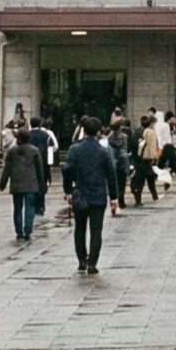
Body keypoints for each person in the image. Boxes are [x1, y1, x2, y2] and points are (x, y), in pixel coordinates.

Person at [64, 116, 115, 272]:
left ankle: (82, 260)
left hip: (80, 194)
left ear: (83, 130)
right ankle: (92, 262)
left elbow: (68, 170)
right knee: (96, 230)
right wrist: (114, 197)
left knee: (80, 228)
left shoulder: (74, 149)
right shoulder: (103, 151)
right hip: (98, 195)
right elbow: (111, 175)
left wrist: (68, 190)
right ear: (98, 132)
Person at [0, 123, 47, 241]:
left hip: (16, 184)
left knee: (17, 207)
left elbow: (7, 169)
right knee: (30, 207)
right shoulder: (35, 151)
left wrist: (3, 183)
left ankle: (19, 231)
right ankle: (28, 230)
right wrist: (42, 185)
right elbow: (40, 170)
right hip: (31, 184)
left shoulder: (12, 151)